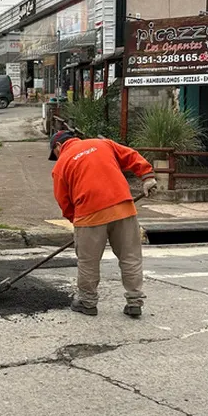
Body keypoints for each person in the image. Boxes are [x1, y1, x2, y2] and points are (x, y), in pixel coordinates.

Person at [49, 129, 157, 318]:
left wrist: (77, 221)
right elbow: (131, 155)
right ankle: (134, 302)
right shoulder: (103, 144)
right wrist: (147, 177)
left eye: (55, 154)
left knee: (88, 262)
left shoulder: (61, 166)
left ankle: (87, 302)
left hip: (89, 215)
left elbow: (63, 201)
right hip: (123, 207)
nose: (57, 157)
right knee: (130, 256)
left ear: (58, 146)